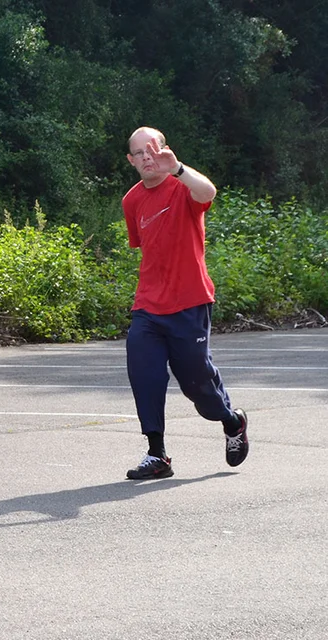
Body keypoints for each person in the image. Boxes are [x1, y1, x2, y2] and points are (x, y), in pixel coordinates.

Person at [121, 126, 249, 480]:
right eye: (139, 153)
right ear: (131, 161)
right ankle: (157, 453)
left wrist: (178, 169)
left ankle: (232, 421)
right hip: (148, 305)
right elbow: (147, 247)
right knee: (143, 371)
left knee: (195, 381)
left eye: (152, 150)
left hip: (190, 301)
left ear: (164, 151)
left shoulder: (183, 186)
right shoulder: (132, 200)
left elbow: (208, 191)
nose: (147, 157)